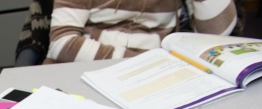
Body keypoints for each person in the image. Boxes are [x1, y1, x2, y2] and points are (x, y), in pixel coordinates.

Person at [44, 0, 237, 64]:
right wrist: (142, 64)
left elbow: (218, 35)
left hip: (153, 76)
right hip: (81, 67)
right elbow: (63, 43)